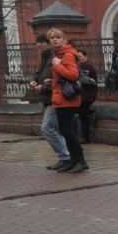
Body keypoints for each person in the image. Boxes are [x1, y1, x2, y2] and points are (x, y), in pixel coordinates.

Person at [44, 28, 88, 174]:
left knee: (68, 131)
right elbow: (64, 76)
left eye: (58, 37)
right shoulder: (57, 54)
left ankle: (80, 161)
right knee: (65, 131)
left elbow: (73, 75)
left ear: (64, 39)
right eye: (52, 38)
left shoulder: (67, 55)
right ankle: (73, 161)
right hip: (60, 97)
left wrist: (57, 65)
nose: (54, 40)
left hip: (67, 99)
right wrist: (53, 81)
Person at [27, 34, 71, 171]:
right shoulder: (45, 57)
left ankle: (66, 157)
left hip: (56, 98)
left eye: (41, 42)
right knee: (57, 129)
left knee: (47, 128)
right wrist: (34, 80)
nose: (38, 45)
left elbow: (62, 79)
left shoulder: (56, 58)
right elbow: (40, 73)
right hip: (49, 98)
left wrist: (44, 87)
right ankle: (65, 158)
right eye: (37, 42)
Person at [76, 51, 99, 143]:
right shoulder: (81, 66)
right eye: (77, 57)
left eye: (80, 56)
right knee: (82, 114)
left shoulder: (87, 67)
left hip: (87, 95)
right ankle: (91, 112)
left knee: (83, 115)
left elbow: (85, 82)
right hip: (83, 95)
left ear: (86, 56)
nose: (79, 58)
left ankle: (86, 138)